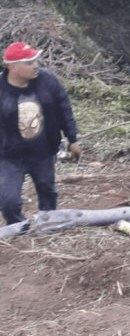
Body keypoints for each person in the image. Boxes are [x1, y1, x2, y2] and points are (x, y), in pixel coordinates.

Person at [0, 42, 81, 225]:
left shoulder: (47, 79)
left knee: (47, 190)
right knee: (8, 202)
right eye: (29, 63)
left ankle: (48, 223)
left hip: (43, 151)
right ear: (12, 66)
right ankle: (19, 226)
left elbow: (64, 108)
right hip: (9, 156)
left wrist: (72, 139)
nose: (36, 65)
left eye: (36, 61)